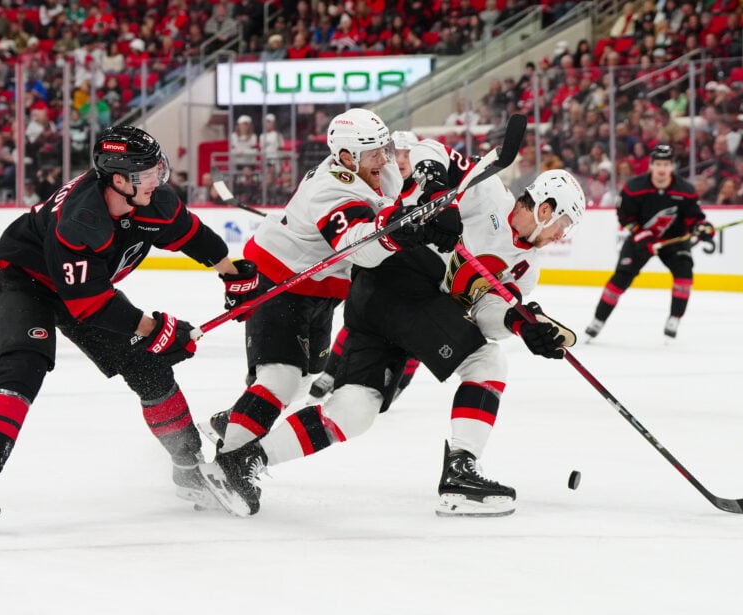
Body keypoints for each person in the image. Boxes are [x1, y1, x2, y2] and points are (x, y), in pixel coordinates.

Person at [199, 142, 586, 518]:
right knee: (487, 363)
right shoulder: (487, 192)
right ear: (547, 210)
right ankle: (460, 473)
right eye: (564, 223)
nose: (562, 235)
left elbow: (485, 313)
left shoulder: (527, 269)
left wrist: (520, 324)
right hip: (401, 282)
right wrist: (437, 188)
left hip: (385, 305)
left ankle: (242, 461)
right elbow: (427, 149)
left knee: (354, 410)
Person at [0, 126, 264, 533]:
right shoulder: (81, 221)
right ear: (118, 179)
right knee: (23, 369)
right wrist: (154, 328)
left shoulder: (153, 200)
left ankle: (187, 468)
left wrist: (231, 272)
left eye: (157, 168)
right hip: (29, 281)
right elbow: (90, 304)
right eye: (147, 173)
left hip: (86, 290)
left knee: (150, 371)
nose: (159, 178)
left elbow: (191, 235)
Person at [198, 109, 454, 472]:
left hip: (320, 291)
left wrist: (431, 197)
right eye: (375, 153)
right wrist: (396, 231)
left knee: (304, 380)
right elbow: (356, 247)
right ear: (347, 157)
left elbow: (414, 171)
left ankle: (236, 421)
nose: (385, 158)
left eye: (385, 148)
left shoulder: (379, 166)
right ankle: (227, 468)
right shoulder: (332, 188)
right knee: (281, 379)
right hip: (279, 280)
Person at [307, 129, 421, 401]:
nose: (402, 160)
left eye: (409, 154)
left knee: (414, 330)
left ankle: (398, 384)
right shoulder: (372, 182)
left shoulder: (426, 189)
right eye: (398, 153)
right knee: (359, 319)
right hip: (375, 268)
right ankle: (330, 374)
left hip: (410, 273)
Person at [584, 144, 713, 341]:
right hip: (641, 239)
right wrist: (641, 236)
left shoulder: (685, 190)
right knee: (621, 277)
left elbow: (695, 218)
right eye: (658, 164)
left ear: (672, 167)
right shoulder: (634, 187)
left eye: (666, 164)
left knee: (684, 272)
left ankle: (675, 318)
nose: (662, 168)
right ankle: (598, 320)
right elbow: (624, 217)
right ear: (651, 166)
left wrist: (701, 228)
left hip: (673, 241)